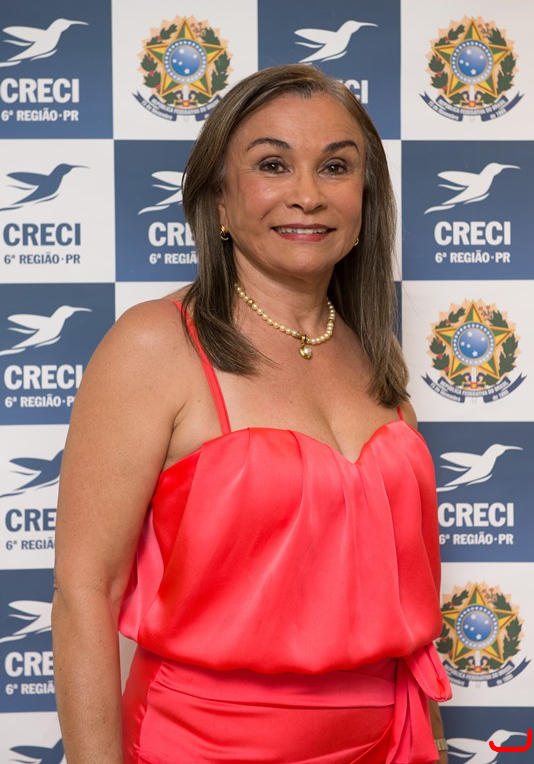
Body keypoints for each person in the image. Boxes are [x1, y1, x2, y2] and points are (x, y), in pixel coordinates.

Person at [52, 64, 451, 763]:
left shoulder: (373, 357)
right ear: (219, 202)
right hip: (202, 746)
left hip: (387, 743)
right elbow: (87, 591)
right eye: (273, 164)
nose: (307, 194)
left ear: (365, 201)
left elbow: (406, 628)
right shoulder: (156, 344)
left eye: (336, 166)